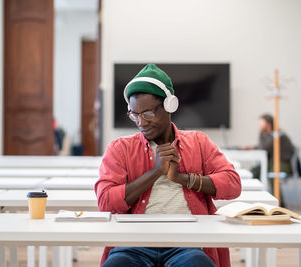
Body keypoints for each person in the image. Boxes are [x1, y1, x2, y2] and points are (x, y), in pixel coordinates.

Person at [95, 64, 241, 267]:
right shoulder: (120, 148)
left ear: (169, 106)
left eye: (146, 114)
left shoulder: (199, 142)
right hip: (133, 243)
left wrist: (184, 178)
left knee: (197, 263)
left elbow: (233, 184)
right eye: (134, 115)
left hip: (188, 243)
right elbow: (105, 201)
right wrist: (155, 172)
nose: (141, 123)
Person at [245, 114, 295, 179]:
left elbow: (266, 147)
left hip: (282, 162)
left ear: (268, 124)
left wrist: (261, 135)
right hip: (271, 162)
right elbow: (262, 146)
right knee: (254, 172)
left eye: (261, 123)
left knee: (273, 175)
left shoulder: (277, 134)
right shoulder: (265, 134)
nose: (259, 125)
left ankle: (275, 189)